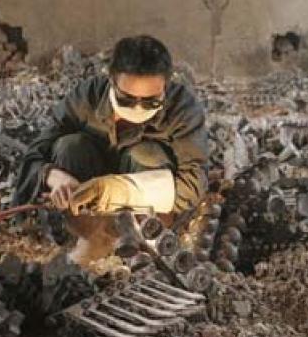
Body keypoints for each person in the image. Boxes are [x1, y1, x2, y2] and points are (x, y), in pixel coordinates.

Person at [14, 35, 208, 220]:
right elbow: (35, 154)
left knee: (146, 154)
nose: (137, 108)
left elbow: (193, 185)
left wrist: (116, 191)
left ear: (165, 86)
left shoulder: (182, 108)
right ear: (111, 81)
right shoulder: (87, 97)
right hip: (82, 198)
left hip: (142, 209)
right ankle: (74, 227)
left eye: (150, 102)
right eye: (126, 99)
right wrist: (54, 177)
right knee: (70, 145)